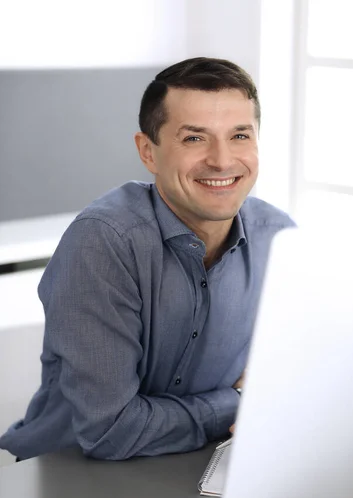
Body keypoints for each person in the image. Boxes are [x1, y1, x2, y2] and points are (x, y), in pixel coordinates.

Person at [0, 57, 294, 460]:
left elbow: (295, 381)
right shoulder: (104, 241)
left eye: (240, 136)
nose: (223, 160)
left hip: (195, 467)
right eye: (194, 138)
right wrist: (240, 402)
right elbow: (110, 430)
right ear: (148, 151)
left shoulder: (279, 239)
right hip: (64, 478)